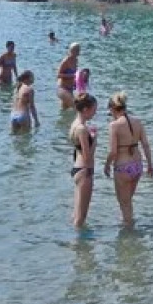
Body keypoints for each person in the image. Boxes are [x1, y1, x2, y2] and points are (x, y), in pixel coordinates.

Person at [103, 92, 153, 228]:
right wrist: (150, 164)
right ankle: (128, 224)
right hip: (137, 165)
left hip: (123, 167)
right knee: (128, 201)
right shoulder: (137, 121)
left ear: (113, 109)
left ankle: (128, 232)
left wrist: (107, 165)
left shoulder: (114, 125)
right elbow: (146, 145)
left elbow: (113, 151)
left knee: (124, 203)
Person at [68, 94, 98, 228]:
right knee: (81, 217)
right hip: (85, 170)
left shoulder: (75, 124)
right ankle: (79, 240)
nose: (95, 113)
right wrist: (94, 139)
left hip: (78, 168)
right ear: (86, 109)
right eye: (94, 110)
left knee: (76, 214)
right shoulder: (81, 129)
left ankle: (76, 237)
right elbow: (87, 156)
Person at [56, 43, 81, 110]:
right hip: (63, 89)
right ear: (71, 51)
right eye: (77, 50)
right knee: (76, 108)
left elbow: (75, 74)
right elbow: (58, 75)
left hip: (70, 89)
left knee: (64, 110)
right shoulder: (66, 61)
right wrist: (72, 75)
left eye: (79, 50)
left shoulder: (76, 60)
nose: (78, 52)